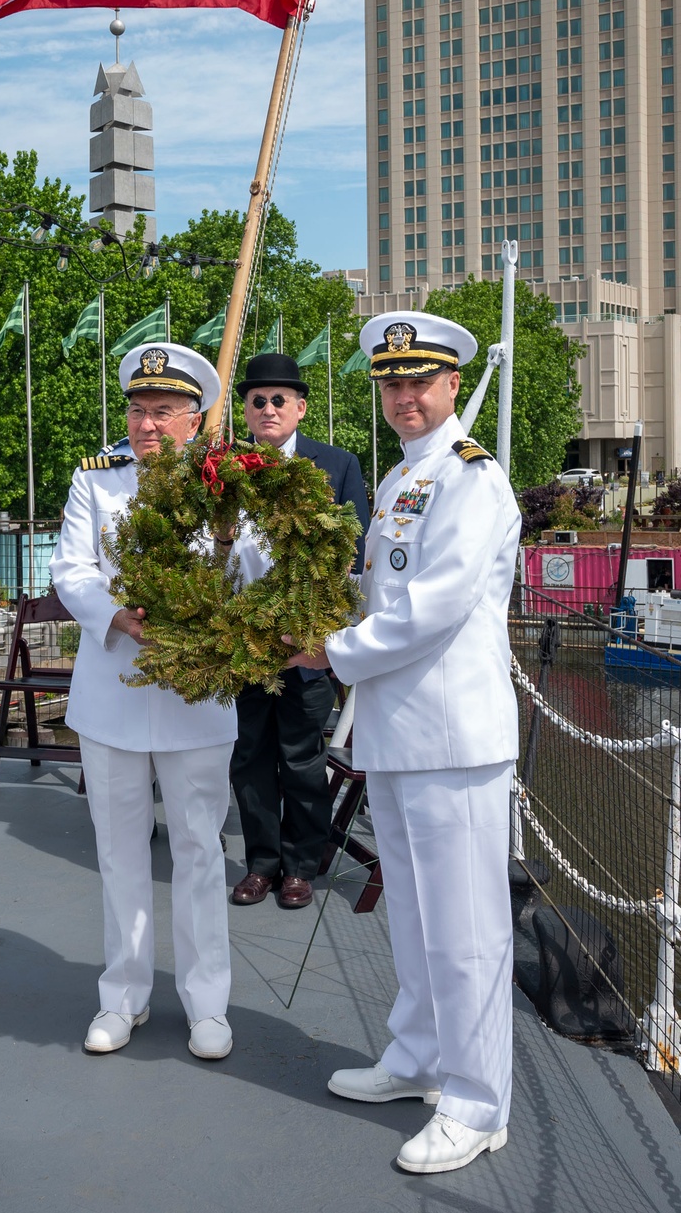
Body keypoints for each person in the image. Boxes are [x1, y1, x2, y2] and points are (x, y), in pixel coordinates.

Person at [285, 311, 520, 1176]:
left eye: (419, 380)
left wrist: (331, 649)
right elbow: (379, 589)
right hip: (397, 732)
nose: (404, 396)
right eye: (391, 382)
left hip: (454, 736)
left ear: (454, 383)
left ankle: (477, 1099)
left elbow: (434, 607)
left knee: (466, 929)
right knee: (418, 922)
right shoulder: (398, 482)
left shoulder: (471, 480)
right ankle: (419, 1056)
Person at [50, 343, 237, 1060]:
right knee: (119, 853)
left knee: (198, 851)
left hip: (196, 698)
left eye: (163, 411)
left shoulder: (225, 482)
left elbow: (252, 566)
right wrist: (117, 615)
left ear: (195, 419)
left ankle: (208, 1005)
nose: (147, 424)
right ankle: (121, 996)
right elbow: (71, 565)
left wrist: (228, 542)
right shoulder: (96, 480)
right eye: (137, 409)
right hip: (113, 693)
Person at [228, 353, 370, 909]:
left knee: (303, 757)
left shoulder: (335, 465)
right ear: (245, 410)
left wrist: (324, 635)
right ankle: (261, 864)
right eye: (257, 400)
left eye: (278, 399)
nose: (268, 408)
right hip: (242, 637)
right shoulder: (225, 469)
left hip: (306, 640)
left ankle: (300, 866)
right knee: (250, 756)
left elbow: (355, 555)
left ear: (301, 408)